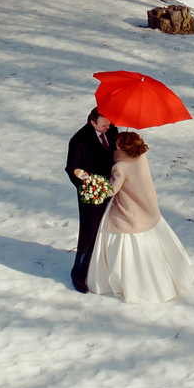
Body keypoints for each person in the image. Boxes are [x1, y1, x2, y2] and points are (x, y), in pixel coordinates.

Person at [89, 128, 194, 304]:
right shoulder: (141, 158)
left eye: (117, 145)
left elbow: (112, 190)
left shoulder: (119, 167)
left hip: (129, 211)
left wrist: (94, 187)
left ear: (123, 148)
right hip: (148, 207)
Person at [66, 106, 117, 292]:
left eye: (109, 123)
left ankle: (104, 270)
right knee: (89, 233)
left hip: (114, 189)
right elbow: (72, 168)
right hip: (91, 195)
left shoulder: (112, 130)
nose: (108, 127)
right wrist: (89, 186)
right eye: (104, 124)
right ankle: (79, 274)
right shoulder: (79, 141)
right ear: (92, 122)